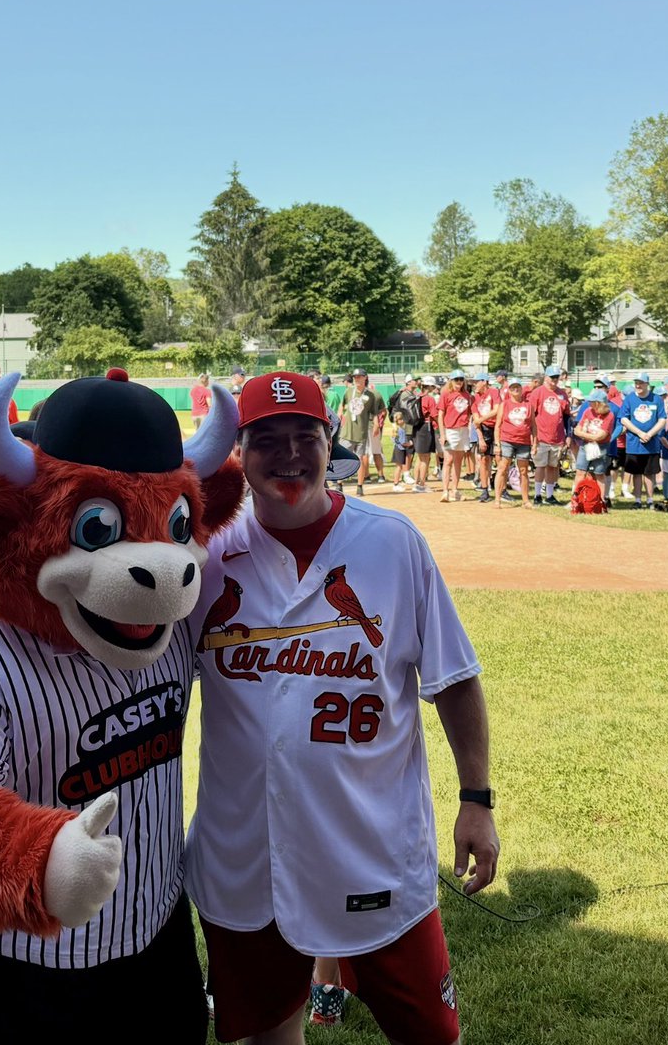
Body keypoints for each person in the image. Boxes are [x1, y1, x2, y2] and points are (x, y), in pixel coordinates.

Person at [186, 371, 499, 1045]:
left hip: (374, 853)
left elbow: (454, 679)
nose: (289, 455)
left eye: (306, 436)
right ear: (239, 453)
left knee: (432, 1036)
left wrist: (477, 799)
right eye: (267, 439)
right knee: (270, 1035)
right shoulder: (206, 555)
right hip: (247, 860)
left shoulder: (392, 542)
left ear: (332, 443)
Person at [617, 373, 666, 510]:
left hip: (651, 443)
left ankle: (650, 500)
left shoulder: (656, 399)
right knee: (636, 472)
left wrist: (650, 434)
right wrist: (639, 433)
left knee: (649, 473)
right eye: (636, 383)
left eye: (641, 383)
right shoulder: (630, 399)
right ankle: (638, 500)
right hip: (634, 443)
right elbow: (624, 418)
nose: (638, 385)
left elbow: (662, 419)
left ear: (647, 384)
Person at [527, 365, 569, 506]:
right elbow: (531, 415)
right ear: (546, 377)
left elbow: (566, 416)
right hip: (541, 436)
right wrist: (533, 436)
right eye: (552, 377)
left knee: (553, 466)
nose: (555, 380)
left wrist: (568, 435)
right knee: (540, 466)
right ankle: (537, 495)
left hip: (557, 438)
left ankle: (550, 495)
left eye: (557, 377)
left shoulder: (562, 394)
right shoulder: (538, 392)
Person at [337, 367, 382, 497]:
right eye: (355, 377)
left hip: (361, 432)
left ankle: (360, 486)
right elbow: (342, 405)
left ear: (365, 378)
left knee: (360, 459)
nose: (356, 379)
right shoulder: (349, 391)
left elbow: (374, 412)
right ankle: (339, 483)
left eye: (359, 377)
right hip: (347, 432)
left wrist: (376, 424)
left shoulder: (370, 395)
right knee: (343, 458)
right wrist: (339, 414)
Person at [493, 379, 535, 509]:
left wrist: (535, 443)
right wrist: (497, 444)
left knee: (523, 470)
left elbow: (533, 426)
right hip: (507, 440)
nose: (515, 389)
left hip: (524, 441)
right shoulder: (504, 404)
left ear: (521, 389)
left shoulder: (528, 405)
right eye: (513, 387)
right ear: (509, 390)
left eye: (517, 387)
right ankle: (497, 499)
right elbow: (498, 425)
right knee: (503, 468)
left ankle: (525, 500)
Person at [570, 392, 615, 506]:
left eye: (591, 401)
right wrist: (589, 436)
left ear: (598, 403)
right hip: (586, 446)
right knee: (580, 471)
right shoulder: (588, 411)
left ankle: (601, 502)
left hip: (601, 447)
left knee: (599, 474)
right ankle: (576, 499)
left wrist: (583, 434)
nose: (589, 403)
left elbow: (600, 436)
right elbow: (577, 430)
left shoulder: (609, 415)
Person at [437, 370, 471, 503]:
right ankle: (445, 491)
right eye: (456, 379)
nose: (459, 382)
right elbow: (440, 415)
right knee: (448, 460)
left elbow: (470, 413)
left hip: (463, 430)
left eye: (461, 379)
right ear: (451, 381)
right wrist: (442, 434)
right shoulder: (446, 394)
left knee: (458, 461)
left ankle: (454, 490)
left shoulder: (467, 395)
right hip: (450, 431)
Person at [470, 374, 499, 504]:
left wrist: (481, 419)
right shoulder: (475, 398)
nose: (474, 384)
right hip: (484, 429)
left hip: (497, 427)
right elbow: (476, 421)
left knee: (499, 459)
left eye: (477, 382)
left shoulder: (493, 392)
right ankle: (484, 489)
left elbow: (497, 410)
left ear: (484, 382)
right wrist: (480, 438)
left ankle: (502, 490)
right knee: (483, 459)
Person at [411, 376, 439, 494]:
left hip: (417, 427)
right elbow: (434, 415)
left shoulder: (417, 396)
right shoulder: (429, 399)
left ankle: (416, 482)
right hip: (426, 428)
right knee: (425, 457)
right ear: (430, 387)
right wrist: (441, 425)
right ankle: (422, 484)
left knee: (419, 457)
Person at [389, 411, 414, 491]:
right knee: (399, 467)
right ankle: (396, 484)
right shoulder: (398, 429)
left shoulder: (401, 428)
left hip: (400, 448)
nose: (402, 421)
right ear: (397, 421)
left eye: (402, 419)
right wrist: (408, 443)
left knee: (400, 466)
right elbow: (400, 441)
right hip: (399, 449)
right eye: (400, 419)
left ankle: (399, 481)